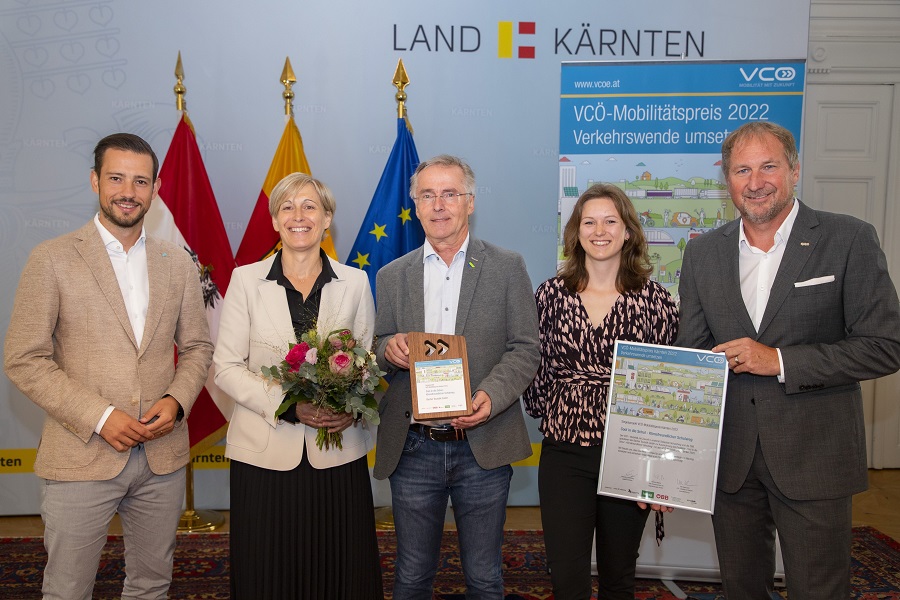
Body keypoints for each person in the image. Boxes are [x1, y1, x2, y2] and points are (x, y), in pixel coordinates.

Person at [676, 121, 900, 599]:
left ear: (795, 170)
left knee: (819, 590)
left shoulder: (848, 239)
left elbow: (885, 344)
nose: (755, 182)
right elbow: (692, 358)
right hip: (730, 462)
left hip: (814, 456)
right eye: (742, 170)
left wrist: (779, 361)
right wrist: (667, 458)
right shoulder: (702, 255)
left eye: (768, 166)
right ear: (727, 181)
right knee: (741, 589)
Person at [3, 133, 213, 600]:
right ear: (95, 180)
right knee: (67, 589)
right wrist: (100, 416)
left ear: (155, 189)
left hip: (162, 459)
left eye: (141, 181)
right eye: (116, 177)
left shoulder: (177, 262)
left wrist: (177, 402)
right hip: (81, 454)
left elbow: (198, 347)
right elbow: (24, 358)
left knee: (151, 585)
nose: (128, 191)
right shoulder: (52, 259)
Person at [373, 154, 540, 599]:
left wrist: (491, 395)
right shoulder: (391, 276)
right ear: (416, 203)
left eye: (450, 194)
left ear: (470, 202)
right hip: (413, 447)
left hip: (482, 447)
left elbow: (525, 347)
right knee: (410, 576)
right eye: (428, 195)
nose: (439, 205)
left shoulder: (507, 267)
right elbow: (377, 344)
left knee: (485, 578)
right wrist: (387, 348)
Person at [213, 172, 382, 599]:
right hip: (264, 452)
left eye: (310, 206)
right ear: (274, 221)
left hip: (337, 449)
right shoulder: (245, 281)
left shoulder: (356, 283)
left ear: (327, 219)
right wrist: (288, 406)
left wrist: (353, 405)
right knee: (266, 569)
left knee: (340, 568)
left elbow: (368, 365)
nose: (298, 216)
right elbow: (226, 367)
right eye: (287, 207)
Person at [522, 183, 679, 600]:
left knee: (618, 578)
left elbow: (664, 390)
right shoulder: (550, 295)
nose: (600, 230)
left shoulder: (657, 302)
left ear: (628, 231)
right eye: (588, 221)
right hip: (565, 454)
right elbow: (537, 374)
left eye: (611, 220)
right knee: (567, 577)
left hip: (631, 454)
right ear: (576, 232)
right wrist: (549, 408)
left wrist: (663, 470)